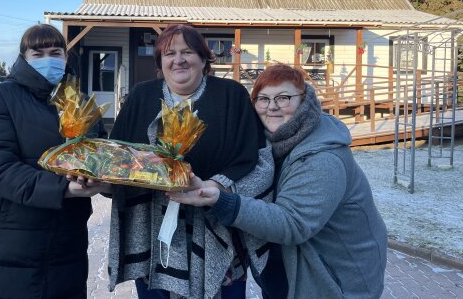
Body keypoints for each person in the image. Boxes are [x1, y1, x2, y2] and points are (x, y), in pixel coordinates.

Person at [169, 63, 388, 299]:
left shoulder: (322, 158)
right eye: (263, 99)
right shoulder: (268, 145)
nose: (272, 107)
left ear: (304, 101)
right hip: (288, 275)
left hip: (333, 282)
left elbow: (292, 223)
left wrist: (223, 200)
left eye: (283, 98)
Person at [0, 24, 108, 299]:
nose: (49, 59)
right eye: (38, 53)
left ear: (66, 58)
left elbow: (101, 156)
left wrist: (108, 182)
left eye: (56, 52)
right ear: (24, 57)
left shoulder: (81, 103)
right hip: (5, 241)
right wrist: (64, 189)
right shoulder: (1, 97)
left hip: (65, 242)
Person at [106, 24, 264, 299]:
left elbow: (254, 156)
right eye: (169, 54)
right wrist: (100, 179)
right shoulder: (142, 96)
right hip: (152, 231)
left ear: (203, 59)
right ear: (161, 63)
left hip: (214, 225)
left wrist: (214, 188)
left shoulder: (231, 95)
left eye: (187, 52)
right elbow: (117, 155)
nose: (178, 59)